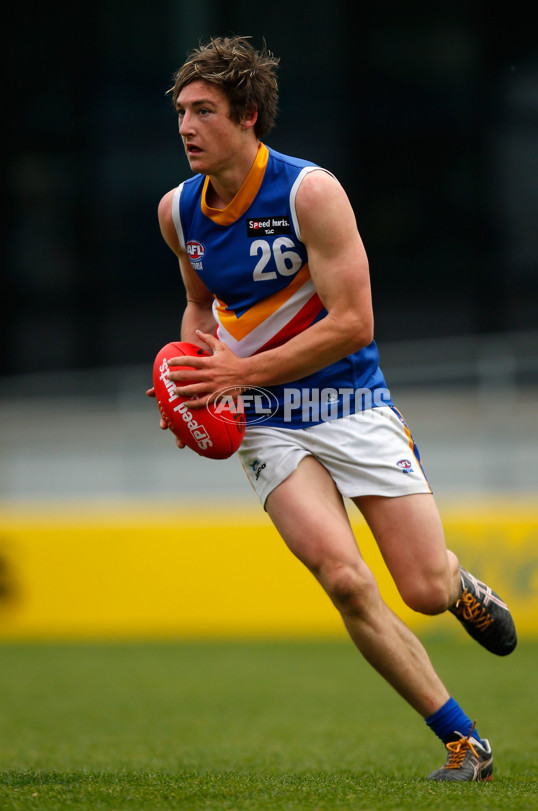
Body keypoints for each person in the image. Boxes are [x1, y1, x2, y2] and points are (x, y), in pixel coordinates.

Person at [148, 35, 517, 782]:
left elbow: (354, 323)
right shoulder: (176, 211)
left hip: (349, 400)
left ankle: (458, 585)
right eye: (182, 112)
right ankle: (462, 741)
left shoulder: (309, 192)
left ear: (249, 116)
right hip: (268, 421)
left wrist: (238, 372)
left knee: (420, 588)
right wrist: (189, 384)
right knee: (344, 579)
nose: (187, 127)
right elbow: (198, 311)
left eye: (204, 112)